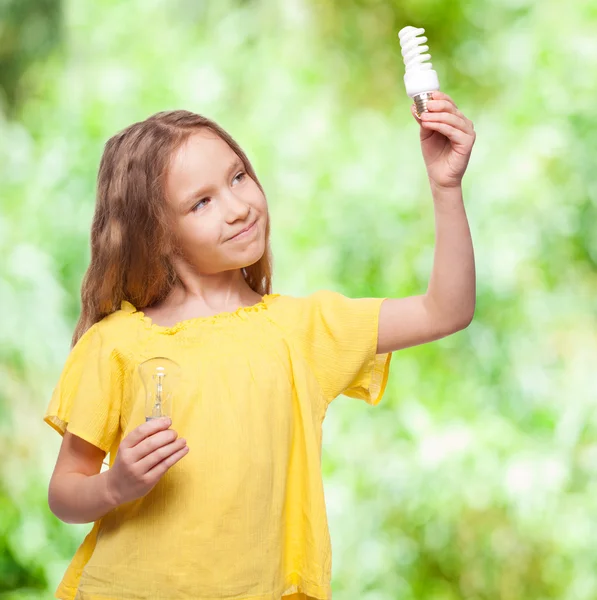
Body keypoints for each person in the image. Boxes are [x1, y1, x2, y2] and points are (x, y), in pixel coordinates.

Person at [44, 91, 476, 600]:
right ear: (158, 234)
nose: (237, 208)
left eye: (237, 177)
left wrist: (445, 186)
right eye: (201, 202)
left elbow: (445, 310)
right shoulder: (115, 343)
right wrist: (115, 485)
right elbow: (65, 491)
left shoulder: (302, 330)